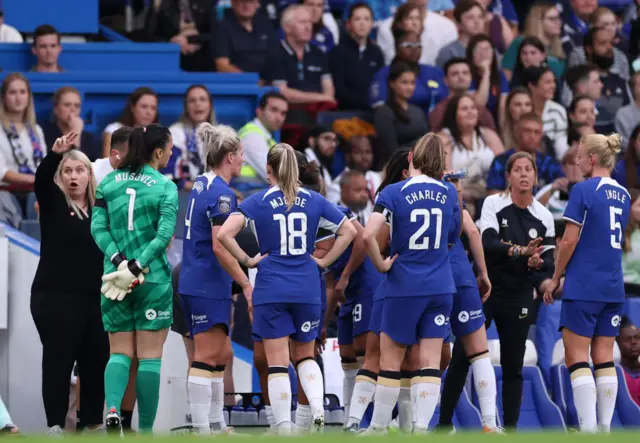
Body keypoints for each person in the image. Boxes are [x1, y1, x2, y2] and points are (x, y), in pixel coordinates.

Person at [217, 143, 356, 435]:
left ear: (269, 169)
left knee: (278, 362)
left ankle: (283, 427)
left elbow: (225, 234)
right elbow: (350, 231)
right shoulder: (314, 199)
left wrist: (248, 260)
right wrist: (324, 261)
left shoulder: (258, 200)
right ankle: (317, 407)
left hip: (271, 287)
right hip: (307, 285)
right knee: (305, 355)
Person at [442, 151, 556, 431]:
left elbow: (549, 262)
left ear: (536, 176)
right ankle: (443, 424)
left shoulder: (544, 216)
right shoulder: (494, 203)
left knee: (513, 365)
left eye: (529, 169)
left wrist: (536, 262)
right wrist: (520, 251)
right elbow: (489, 242)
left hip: (519, 294)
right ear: (508, 176)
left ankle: (511, 428)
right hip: (487, 290)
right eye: (517, 169)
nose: (524, 174)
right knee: (462, 358)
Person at [361, 133, 460, 434]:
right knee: (430, 362)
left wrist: (381, 264)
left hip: (404, 286)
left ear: (410, 158)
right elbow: (453, 238)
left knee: (391, 361)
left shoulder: (392, 192)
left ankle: (378, 428)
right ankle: (420, 428)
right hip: (441, 286)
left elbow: (367, 235)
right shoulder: (450, 193)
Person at [91, 124, 178, 434]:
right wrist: (138, 265)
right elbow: (165, 234)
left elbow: (97, 229)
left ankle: (113, 409)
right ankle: (146, 430)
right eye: (169, 147)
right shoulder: (165, 186)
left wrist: (119, 262)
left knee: (119, 352)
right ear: (157, 151)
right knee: (151, 357)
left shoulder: (108, 182)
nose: (172, 152)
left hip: (114, 279)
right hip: (151, 280)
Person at [543, 133, 629, 434]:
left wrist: (555, 277)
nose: (577, 161)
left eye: (580, 156)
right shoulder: (625, 194)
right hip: (614, 287)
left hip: (584, 286)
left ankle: (589, 431)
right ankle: (604, 430)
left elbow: (569, 240)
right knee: (604, 357)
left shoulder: (582, 190)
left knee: (577, 358)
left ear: (592, 159)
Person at [31, 133, 109, 435]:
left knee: (96, 361)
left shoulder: (101, 211)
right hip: (55, 300)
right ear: (60, 178)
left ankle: (92, 423)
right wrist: (55, 155)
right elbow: (40, 182)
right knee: (58, 363)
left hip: (95, 300)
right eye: (68, 171)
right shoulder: (52, 205)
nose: (74, 176)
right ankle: (55, 425)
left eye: (80, 170)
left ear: (90, 175)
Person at [177, 123, 251, 435]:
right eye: (242, 155)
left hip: (196, 279)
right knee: (206, 356)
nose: (244, 161)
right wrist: (246, 281)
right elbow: (220, 244)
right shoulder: (222, 195)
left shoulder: (200, 184)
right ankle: (201, 427)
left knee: (219, 354)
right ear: (230, 157)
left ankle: (216, 422)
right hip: (207, 282)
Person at [437, 178, 498, 433]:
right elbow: (472, 232)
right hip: (460, 274)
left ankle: (409, 425)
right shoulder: (450, 192)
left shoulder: (404, 192)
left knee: (424, 359)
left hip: (427, 279)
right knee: (480, 354)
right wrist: (482, 272)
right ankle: (490, 424)